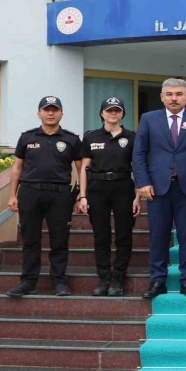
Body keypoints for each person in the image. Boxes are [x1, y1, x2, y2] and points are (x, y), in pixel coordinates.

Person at [132, 78, 186, 299]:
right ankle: (157, 280)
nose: (174, 98)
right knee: (158, 235)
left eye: (179, 94)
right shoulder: (149, 119)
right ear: (162, 97)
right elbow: (139, 153)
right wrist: (142, 182)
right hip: (157, 188)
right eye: (169, 94)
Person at [6, 96, 82, 297]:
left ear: (61, 114)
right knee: (30, 239)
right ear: (39, 113)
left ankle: (59, 282)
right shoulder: (27, 137)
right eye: (46, 110)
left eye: (54, 110)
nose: (50, 113)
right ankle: (28, 281)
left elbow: (82, 169)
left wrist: (81, 196)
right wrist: (12, 195)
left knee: (60, 239)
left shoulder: (71, 139)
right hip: (30, 192)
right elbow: (17, 168)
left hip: (60, 194)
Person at [77, 97, 140, 297]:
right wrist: (83, 196)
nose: (113, 113)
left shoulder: (131, 137)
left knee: (123, 234)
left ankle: (118, 277)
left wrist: (138, 196)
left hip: (123, 188)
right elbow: (83, 169)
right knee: (101, 235)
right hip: (97, 189)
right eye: (109, 110)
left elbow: (138, 169)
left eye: (117, 110)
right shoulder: (90, 137)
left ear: (122, 114)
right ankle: (104, 277)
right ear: (102, 113)